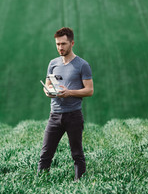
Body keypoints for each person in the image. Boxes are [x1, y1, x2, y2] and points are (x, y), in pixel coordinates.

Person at [38, 27, 94, 181]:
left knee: (77, 154)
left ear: (72, 43)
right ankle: (40, 184)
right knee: (45, 154)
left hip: (73, 115)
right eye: (57, 44)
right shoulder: (53, 63)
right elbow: (47, 85)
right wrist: (48, 92)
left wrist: (69, 92)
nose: (60, 47)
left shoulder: (82, 65)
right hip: (54, 115)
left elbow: (89, 90)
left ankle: (79, 185)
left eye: (63, 44)